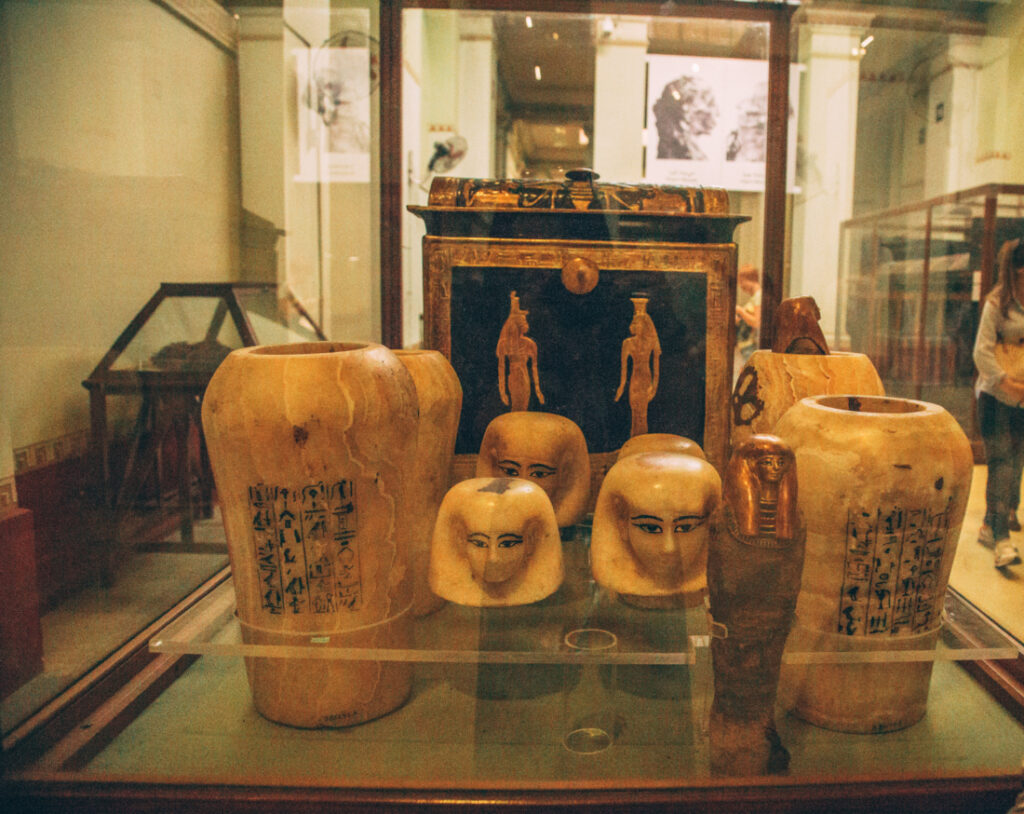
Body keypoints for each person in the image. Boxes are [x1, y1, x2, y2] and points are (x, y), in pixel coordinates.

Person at [973, 238, 1024, 567]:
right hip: (997, 398)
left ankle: (993, 524)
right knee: (1002, 463)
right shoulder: (997, 303)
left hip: (1021, 398)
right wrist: (1009, 384)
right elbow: (981, 353)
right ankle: (1001, 538)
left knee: (1016, 461)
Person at [734, 265, 762, 371]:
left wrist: (740, 310)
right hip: (745, 346)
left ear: (749, 279)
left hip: (751, 346)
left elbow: (756, 322)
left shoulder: (758, 296)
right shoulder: (754, 297)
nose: (741, 286)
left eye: (741, 282)